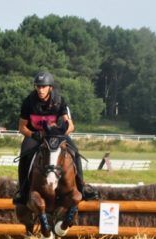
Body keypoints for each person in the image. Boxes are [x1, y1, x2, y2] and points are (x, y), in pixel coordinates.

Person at [13, 71, 98, 204]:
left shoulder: (59, 101)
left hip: (56, 134)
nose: (40, 90)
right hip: (36, 135)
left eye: (43, 86)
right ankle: (23, 191)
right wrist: (33, 134)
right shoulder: (28, 102)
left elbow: (70, 125)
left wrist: (60, 135)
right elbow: (22, 127)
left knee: (75, 151)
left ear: (50, 88)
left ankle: (82, 186)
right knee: (25, 154)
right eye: (38, 86)